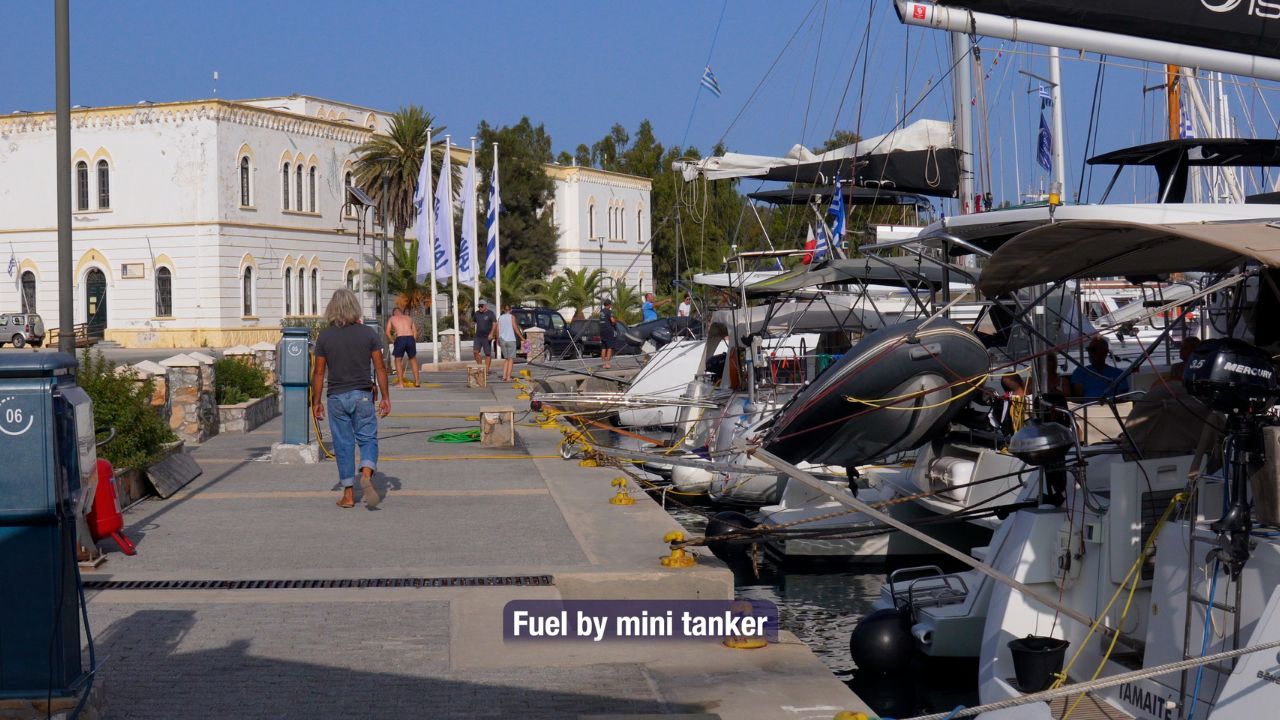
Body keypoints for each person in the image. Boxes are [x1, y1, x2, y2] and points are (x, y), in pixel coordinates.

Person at [312, 288, 391, 509]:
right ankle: (366, 473)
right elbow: (380, 367)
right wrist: (385, 397)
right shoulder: (368, 334)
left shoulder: (325, 337)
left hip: (336, 397)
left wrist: (316, 402)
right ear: (354, 307)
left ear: (332, 309)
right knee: (367, 438)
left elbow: (319, 372)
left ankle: (348, 494)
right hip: (363, 395)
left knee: (343, 444)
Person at [385, 307, 420, 388]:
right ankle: (417, 382)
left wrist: (393, 341)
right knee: (413, 359)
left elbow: (387, 332)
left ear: (394, 313)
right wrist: (413, 341)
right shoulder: (409, 318)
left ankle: (401, 383)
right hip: (410, 338)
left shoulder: (392, 318)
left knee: (398, 360)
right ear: (401, 312)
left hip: (400, 338)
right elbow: (415, 332)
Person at [496, 302, 524, 382]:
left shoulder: (500, 318)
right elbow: (515, 328)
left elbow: (497, 330)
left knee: (506, 359)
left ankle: (504, 376)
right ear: (510, 310)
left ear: (503, 310)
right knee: (511, 359)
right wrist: (522, 338)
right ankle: (508, 377)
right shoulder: (512, 317)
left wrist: (497, 340)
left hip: (502, 339)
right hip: (511, 339)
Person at [472, 299, 497, 374]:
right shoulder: (476, 313)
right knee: (475, 352)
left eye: (481, 306)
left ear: (485, 306)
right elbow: (473, 321)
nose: (480, 308)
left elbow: (495, 324)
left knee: (488, 354)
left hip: (487, 337)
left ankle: (486, 370)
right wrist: (472, 324)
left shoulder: (490, 313)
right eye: (479, 306)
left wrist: (491, 334)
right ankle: (481, 367)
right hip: (478, 337)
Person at [599, 298, 617, 370]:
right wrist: (614, 322)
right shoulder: (609, 312)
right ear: (609, 305)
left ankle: (603, 364)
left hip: (602, 331)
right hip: (608, 331)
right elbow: (612, 320)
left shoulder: (601, 311)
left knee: (603, 348)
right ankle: (607, 364)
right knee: (609, 348)